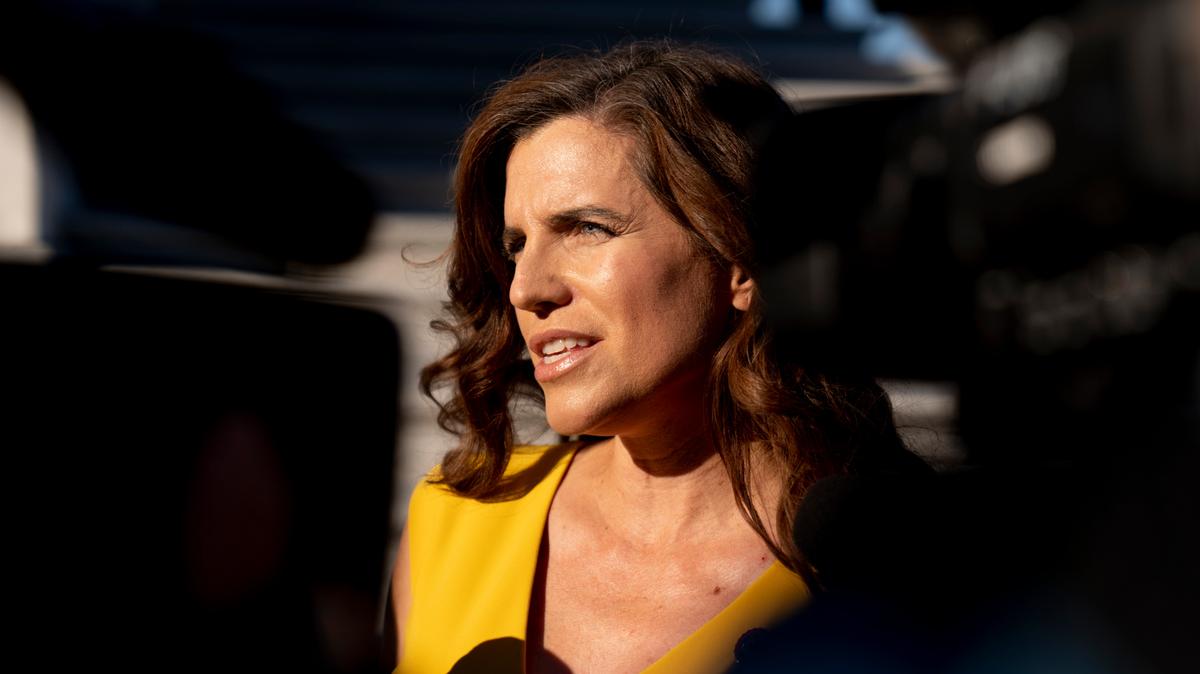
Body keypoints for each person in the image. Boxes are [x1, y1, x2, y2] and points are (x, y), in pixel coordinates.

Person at [391, 40, 924, 674]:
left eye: (587, 228)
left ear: (739, 256)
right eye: (516, 246)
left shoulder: (892, 567)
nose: (526, 288)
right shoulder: (455, 518)